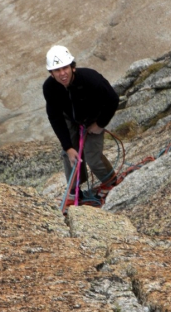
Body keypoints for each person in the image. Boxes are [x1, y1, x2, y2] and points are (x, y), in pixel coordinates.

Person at [43, 45, 119, 198]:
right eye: (57, 70)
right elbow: (55, 117)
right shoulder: (50, 88)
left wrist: (100, 124)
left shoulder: (91, 79)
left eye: (65, 68)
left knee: (92, 156)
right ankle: (75, 190)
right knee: (69, 155)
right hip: (69, 118)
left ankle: (111, 181)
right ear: (51, 73)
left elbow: (112, 99)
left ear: (72, 67)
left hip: (93, 118)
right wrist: (68, 147)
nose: (62, 73)